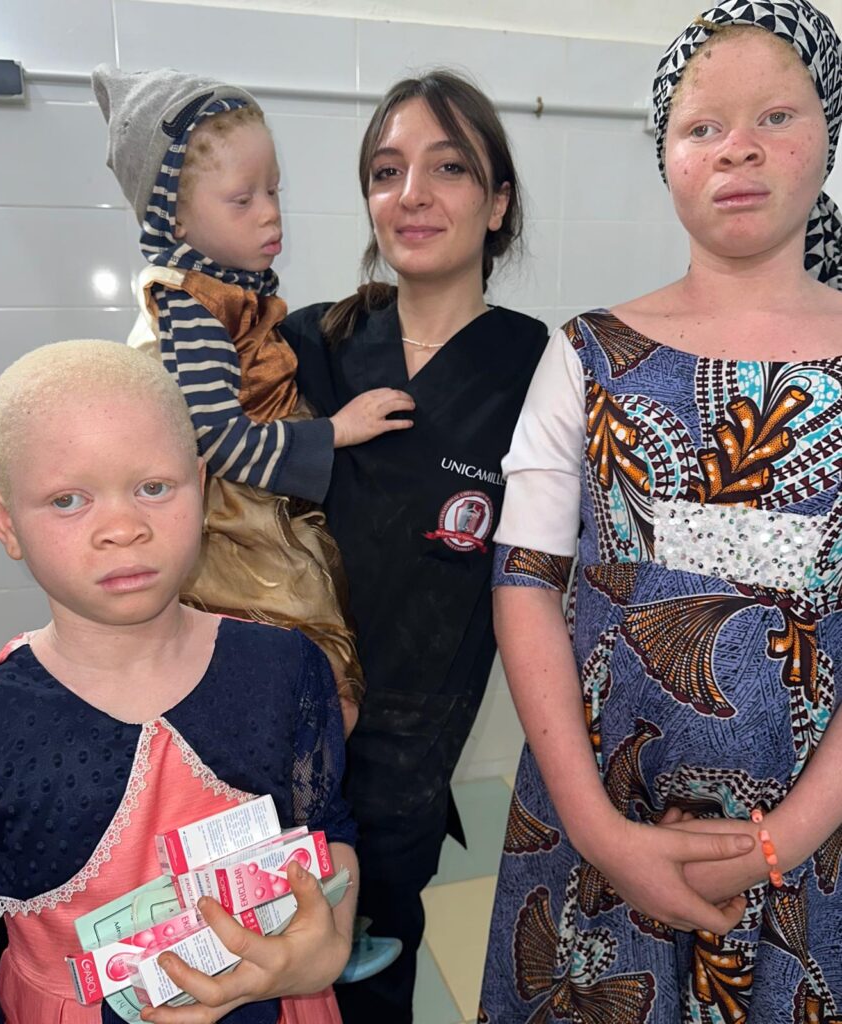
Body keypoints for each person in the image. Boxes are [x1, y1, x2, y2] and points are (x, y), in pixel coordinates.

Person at [480, 2, 842, 1020]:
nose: (737, 148)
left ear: (828, 132)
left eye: (775, 117)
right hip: (597, 821)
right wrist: (601, 834)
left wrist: (787, 838)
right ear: (665, 156)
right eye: (701, 126)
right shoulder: (586, 355)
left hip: (816, 837)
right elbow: (523, 582)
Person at [0, 340, 358, 1024]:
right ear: (7, 523)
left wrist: (327, 946)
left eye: (153, 488)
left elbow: (327, 831)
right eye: (68, 500)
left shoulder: (286, 668)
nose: (123, 528)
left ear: (200, 489)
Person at [278, 70, 549, 1022]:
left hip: (407, 758)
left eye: (449, 168)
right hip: (272, 731)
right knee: (257, 972)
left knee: (369, 979)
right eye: (387, 171)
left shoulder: (539, 369)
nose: (412, 195)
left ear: (497, 202)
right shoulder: (309, 345)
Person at [91, 65, 417, 736]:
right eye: (242, 199)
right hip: (237, 530)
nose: (270, 212)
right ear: (175, 217)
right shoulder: (194, 309)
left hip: (260, 510)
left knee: (313, 683)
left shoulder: (227, 294)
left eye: (273, 190)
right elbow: (220, 440)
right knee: (318, 677)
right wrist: (337, 431)